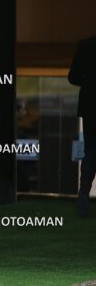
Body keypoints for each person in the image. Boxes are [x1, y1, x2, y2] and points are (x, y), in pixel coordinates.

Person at [69, 37, 96, 218]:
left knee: (92, 149)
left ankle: (84, 190)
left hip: (90, 106)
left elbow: (73, 77)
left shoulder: (86, 45)